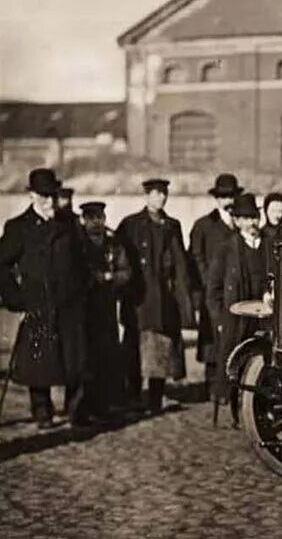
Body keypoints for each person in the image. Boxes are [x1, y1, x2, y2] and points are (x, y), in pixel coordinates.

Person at [0, 168, 90, 428]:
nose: (49, 202)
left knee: (74, 359)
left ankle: (76, 411)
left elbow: (81, 261)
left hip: (69, 304)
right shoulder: (18, 227)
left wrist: (80, 290)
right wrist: (15, 298)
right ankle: (42, 411)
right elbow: (2, 265)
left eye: (52, 195)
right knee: (38, 359)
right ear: (31, 195)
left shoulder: (69, 225)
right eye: (43, 196)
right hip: (38, 304)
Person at [115, 178, 195, 415]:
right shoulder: (130, 225)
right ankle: (132, 397)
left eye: (164, 193)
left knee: (162, 349)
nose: (161, 198)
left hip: (164, 299)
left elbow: (181, 264)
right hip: (139, 299)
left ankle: (155, 398)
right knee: (134, 348)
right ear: (146, 196)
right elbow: (120, 259)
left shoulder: (172, 225)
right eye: (156, 193)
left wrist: (184, 298)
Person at [205, 193, 269, 423]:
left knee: (261, 362)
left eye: (255, 217)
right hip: (234, 317)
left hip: (263, 316)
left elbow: (270, 278)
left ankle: (258, 410)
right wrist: (219, 320)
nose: (252, 223)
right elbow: (213, 289)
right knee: (233, 364)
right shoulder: (226, 248)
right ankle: (233, 409)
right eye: (246, 218)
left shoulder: (268, 244)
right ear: (238, 222)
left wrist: (268, 294)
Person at [188, 173, 242, 400]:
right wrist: (208, 284)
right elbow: (196, 257)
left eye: (231, 196)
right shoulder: (204, 225)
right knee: (212, 337)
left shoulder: (241, 225)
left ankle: (233, 384)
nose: (228, 202)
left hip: (236, 292)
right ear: (216, 199)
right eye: (223, 197)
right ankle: (211, 383)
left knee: (235, 336)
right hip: (213, 292)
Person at [79, 201, 131, 421]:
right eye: (91, 218)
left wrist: (110, 278)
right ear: (83, 220)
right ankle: (82, 409)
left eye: (100, 217)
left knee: (107, 355)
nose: (96, 222)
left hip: (107, 308)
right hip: (82, 308)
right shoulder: (77, 244)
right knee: (84, 357)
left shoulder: (113, 245)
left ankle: (105, 405)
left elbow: (126, 271)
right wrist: (92, 278)